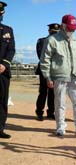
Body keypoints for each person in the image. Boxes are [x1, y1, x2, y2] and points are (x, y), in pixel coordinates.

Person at [40, 14, 76, 136]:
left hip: (75, 76)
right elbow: (45, 59)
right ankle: (60, 127)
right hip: (59, 76)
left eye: (74, 28)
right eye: (70, 27)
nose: (72, 30)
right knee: (60, 103)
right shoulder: (52, 40)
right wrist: (47, 76)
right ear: (63, 26)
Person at [35, 23, 60, 121]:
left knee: (53, 93)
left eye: (56, 32)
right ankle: (39, 112)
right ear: (49, 31)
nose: (54, 34)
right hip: (44, 70)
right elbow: (41, 56)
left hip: (56, 70)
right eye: (53, 32)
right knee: (43, 92)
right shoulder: (41, 41)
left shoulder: (60, 42)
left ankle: (51, 112)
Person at [0, 1, 15, 139]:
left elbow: (11, 50)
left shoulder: (8, 30)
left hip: (3, 72)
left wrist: (4, 64)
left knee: (2, 101)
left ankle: (0, 128)